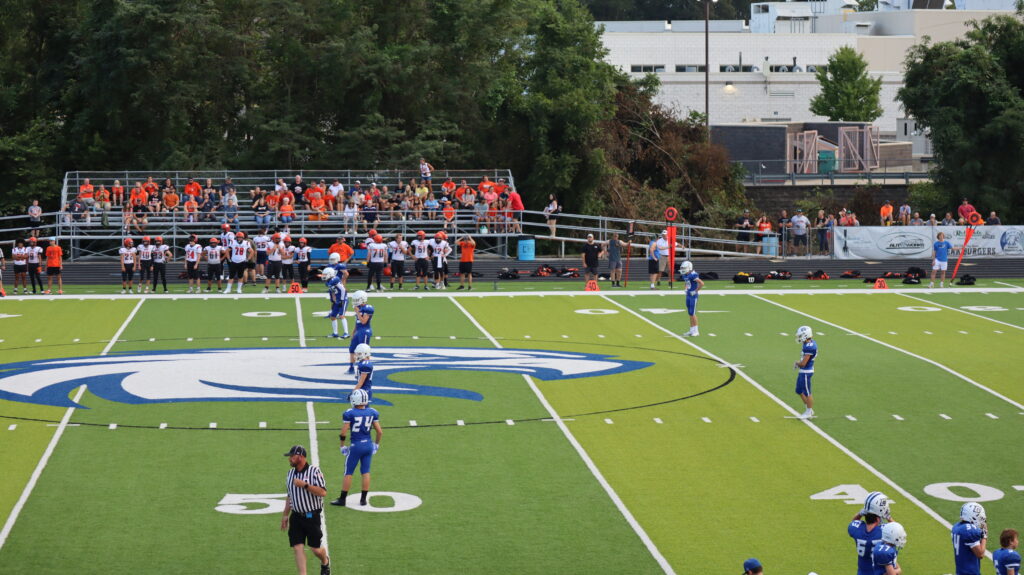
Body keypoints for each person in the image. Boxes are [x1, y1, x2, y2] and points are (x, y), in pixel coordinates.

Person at [281, 444, 330, 575]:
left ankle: (325, 561)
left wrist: (305, 485)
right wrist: (285, 515)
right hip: (296, 516)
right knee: (297, 547)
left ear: (300, 457)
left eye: (292, 456)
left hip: (311, 516)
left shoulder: (314, 471)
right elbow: (290, 496)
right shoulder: (290, 474)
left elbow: (323, 492)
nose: (290, 459)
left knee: (315, 549)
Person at [330, 387, 382, 509]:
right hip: (368, 445)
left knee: (348, 472)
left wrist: (342, 445)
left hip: (356, 446)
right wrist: (376, 444)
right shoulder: (372, 412)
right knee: (366, 472)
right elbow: (379, 432)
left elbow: (343, 433)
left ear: (355, 400)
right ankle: (363, 499)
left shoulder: (350, 413)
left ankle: (342, 499)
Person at [849, 491, 892, 575]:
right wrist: (888, 517)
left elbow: (854, 522)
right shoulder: (883, 532)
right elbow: (897, 529)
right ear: (878, 518)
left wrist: (860, 513)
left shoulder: (856, 530)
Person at [952, 502, 987, 575]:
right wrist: (984, 536)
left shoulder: (956, 526)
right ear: (972, 516)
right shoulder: (969, 530)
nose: (981, 521)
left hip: (960, 571)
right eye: (979, 517)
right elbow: (980, 554)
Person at [347, 291, 373, 374]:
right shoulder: (359, 307)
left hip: (365, 331)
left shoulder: (368, 308)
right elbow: (357, 321)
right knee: (352, 349)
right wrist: (353, 332)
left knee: (364, 350)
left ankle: (367, 368)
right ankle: (351, 367)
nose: (355, 301)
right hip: (358, 331)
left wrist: (358, 312)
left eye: (357, 299)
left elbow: (363, 321)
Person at [794, 325, 817, 418]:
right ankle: (808, 408)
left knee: (807, 392)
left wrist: (797, 363)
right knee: (799, 390)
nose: (799, 337)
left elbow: (803, 364)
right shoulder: (808, 343)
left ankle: (809, 411)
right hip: (803, 371)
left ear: (805, 335)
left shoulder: (809, 347)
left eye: (800, 336)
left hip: (806, 372)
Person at [321, 267, 349, 339]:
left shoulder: (335, 279)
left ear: (330, 274)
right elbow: (332, 291)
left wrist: (342, 300)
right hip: (337, 300)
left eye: (325, 274)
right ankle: (335, 333)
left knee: (341, 315)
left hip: (343, 299)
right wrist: (333, 300)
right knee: (333, 316)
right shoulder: (328, 281)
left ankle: (346, 333)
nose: (324, 276)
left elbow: (343, 290)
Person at [680, 261, 703, 336]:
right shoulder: (685, 275)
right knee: (690, 313)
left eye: (684, 268)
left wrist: (695, 291)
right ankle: (691, 330)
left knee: (692, 313)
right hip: (688, 295)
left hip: (693, 296)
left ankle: (696, 331)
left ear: (689, 268)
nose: (682, 269)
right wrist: (685, 288)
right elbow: (687, 282)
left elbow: (701, 283)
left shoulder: (693, 275)